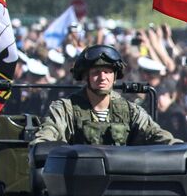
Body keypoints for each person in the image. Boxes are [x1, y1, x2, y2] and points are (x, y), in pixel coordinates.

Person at [35, 45, 178, 146]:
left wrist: (179, 147)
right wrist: (42, 146)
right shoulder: (66, 109)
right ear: (86, 76)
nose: (102, 77)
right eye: (96, 72)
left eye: (107, 72)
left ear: (115, 76)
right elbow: (48, 133)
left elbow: (155, 134)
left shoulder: (130, 111)